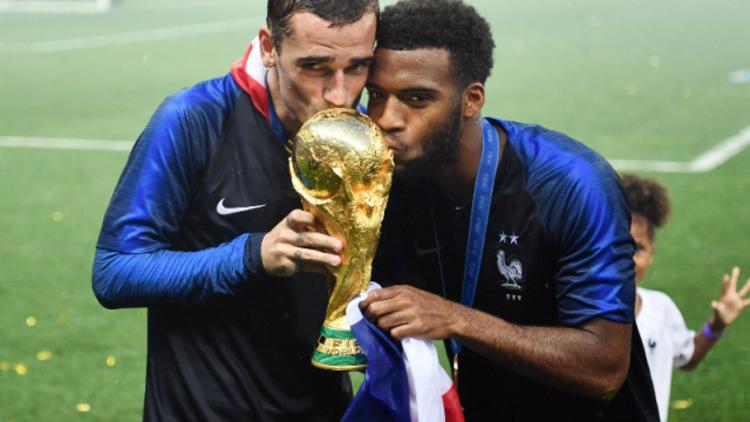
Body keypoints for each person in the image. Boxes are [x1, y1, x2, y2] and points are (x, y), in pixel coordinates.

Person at [363, 0, 659, 420]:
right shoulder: (391, 173)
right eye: (376, 95)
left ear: (471, 99)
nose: (386, 118)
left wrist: (456, 319)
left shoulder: (571, 185)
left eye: (417, 98)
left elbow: (605, 367)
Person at [91, 1, 378, 420]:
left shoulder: (363, 137)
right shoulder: (194, 119)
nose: (340, 94)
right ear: (269, 48)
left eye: (357, 67)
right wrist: (251, 256)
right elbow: (114, 271)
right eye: (315, 67)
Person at [622, 173, 750, 421]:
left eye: (638, 248)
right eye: (621, 244)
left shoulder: (661, 309)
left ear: (651, 253)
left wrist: (717, 325)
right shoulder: (585, 309)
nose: (629, 258)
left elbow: (687, 357)